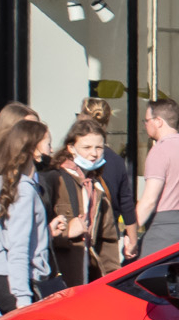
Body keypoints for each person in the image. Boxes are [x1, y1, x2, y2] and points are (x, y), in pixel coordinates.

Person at [0, 120, 55, 317]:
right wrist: (23, 298)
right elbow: (18, 246)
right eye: (47, 142)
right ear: (34, 149)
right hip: (17, 282)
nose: (51, 147)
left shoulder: (1, 183)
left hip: (2, 279)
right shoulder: (23, 189)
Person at [47, 118, 125, 287]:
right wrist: (67, 231)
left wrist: (113, 280)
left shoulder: (96, 185)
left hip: (87, 275)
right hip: (61, 276)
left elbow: (107, 240)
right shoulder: (55, 179)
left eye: (99, 147)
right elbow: (38, 231)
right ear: (71, 148)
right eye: (87, 148)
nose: (94, 154)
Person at [130, 98, 179, 260]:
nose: (145, 125)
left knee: (145, 282)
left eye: (147, 121)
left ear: (158, 121)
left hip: (161, 234)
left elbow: (149, 201)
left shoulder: (159, 152)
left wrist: (130, 233)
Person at [80, 97, 137, 229]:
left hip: (80, 232)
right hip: (109, 233)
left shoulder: (75, 156)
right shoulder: (116, 161)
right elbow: (126, 204)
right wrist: (132, 239)